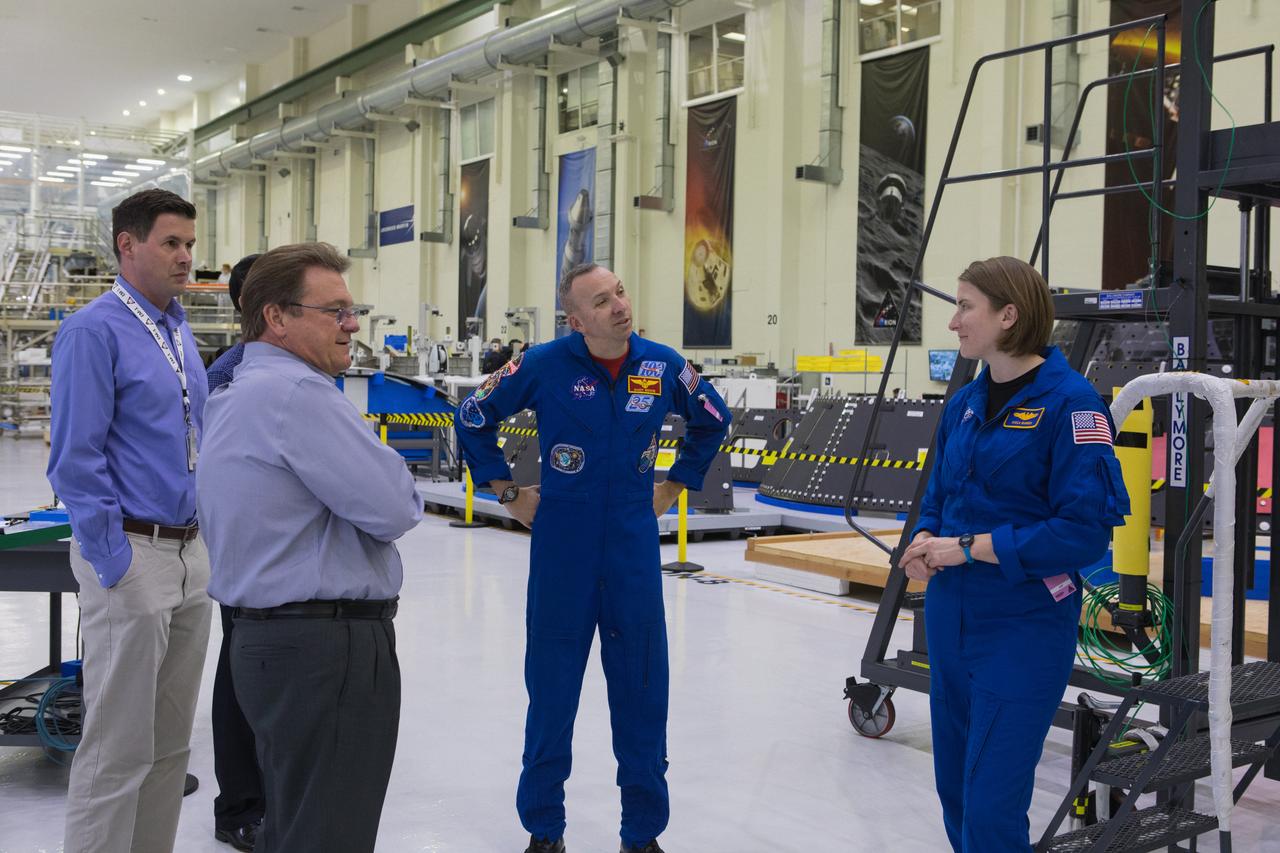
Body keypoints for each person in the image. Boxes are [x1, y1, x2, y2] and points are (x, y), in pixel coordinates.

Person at [455, 262, 732, 853]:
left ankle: (642, 835)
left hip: (632, 544)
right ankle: (544, 830)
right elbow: (472, 417)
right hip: (563, 546)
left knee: (642, 691)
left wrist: (672, 486)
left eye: (622, 292)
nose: (620, 306)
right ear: (576, 319)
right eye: (602, 301)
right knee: (551, 694)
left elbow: (713, 420)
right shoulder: (541, 364)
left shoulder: (662, 364)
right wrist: (506, 492)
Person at [196, 242, 421, 853]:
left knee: (298, 825)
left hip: (269, 642)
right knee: (330, 834)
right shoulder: (299, 396)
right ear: (277, 317)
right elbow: (397, 505)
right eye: (336, 311)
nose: (353, 326)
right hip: (327, 650)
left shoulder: (234, 395)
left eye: (354, 311)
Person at [900, 256, 1130, 852]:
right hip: (951, 622)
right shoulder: (964, 404)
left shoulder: (1073, 406)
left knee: (992, 807)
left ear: (1009, 315)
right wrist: (925, 544)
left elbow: (1084, 533)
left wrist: (971, 549)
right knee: (954, 791)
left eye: (965, 306)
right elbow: (941, 498)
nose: (953, 322)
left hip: (1022, 628)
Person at [48, 188, 211, 853]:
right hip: (132, 555)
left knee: (171, 743)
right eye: (171, 243)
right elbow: (74, 458)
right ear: (128, 244)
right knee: (118, 746)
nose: (185, 257)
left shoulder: (178, 327)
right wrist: (114, 559)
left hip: (190, 554)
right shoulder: (93, 329)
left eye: (190, 244)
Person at [204, 252, 264, 852]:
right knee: (241, 676)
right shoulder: (230, 374)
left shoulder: (294, 369)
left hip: (286, 560)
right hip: (248, 553)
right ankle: (240, 806)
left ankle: (266, 797)